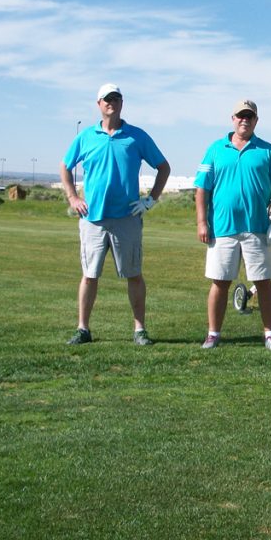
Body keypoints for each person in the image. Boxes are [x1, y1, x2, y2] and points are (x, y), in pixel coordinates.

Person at [60, 83, 171, 346]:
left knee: (134, 274)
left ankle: (140, 330)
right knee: (90, 274)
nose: (112, 102)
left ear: (122, 103)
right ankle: (83, 329)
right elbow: (65, 167)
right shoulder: (86, 136)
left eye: (117, 98)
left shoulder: (136, 136)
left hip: (127, 218)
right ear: (98, 104)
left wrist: (150, 200)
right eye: (107, 99)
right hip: (93, 219)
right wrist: (73, 198)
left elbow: (163, 167)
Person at [195, 99, 271, 351]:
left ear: (256, 120)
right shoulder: (215, 149)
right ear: (232, 119)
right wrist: (202, 222)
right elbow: (202, 188)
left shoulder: (268, 151)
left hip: (257, 229)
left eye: (250, 116)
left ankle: (270, 334)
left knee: (263, 282)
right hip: (222, 229)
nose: (245, 120)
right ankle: (213, 334)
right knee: (220, 281)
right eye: (240, 116)